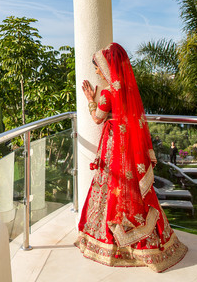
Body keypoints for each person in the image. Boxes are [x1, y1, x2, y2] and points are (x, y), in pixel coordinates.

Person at [76, 43, 187, 272]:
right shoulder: (127, 89)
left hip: (114, 146)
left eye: (98, 67)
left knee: (111, 186)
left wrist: (90, 99)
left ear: (107, 66)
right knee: (133, 188)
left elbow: (98, 118)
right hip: (130, 150)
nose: (97, 71)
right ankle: (150, 240)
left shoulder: (108, 92)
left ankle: (114, 243)